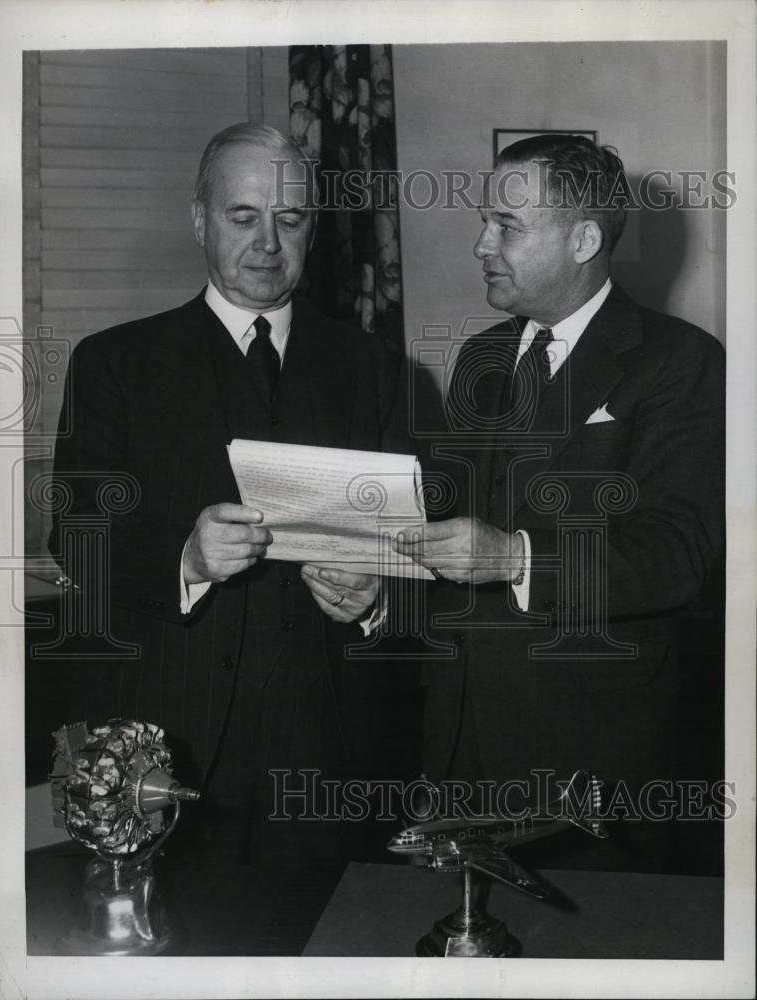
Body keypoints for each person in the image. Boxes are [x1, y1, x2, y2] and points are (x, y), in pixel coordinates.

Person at [48, 123, 415, 867]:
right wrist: (185, 555)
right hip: (163, 747)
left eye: (291, 220)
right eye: (243, 218)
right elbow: (77, 533)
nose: (269, 244)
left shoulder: (372, 367)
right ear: (199, 221)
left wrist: (378, 597)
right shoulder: (115, 362)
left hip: (329, 749)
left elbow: (412, 549)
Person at [396, 134, 725, 870]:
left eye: (507, 227)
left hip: (591, 752)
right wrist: (377, 593)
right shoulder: (480, 357)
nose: (482, 243)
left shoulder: (682, 362)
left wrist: (516, 558)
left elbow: (679, 554)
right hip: (458, 739)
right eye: (485, 221)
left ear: (583, 240)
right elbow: (449, 536)